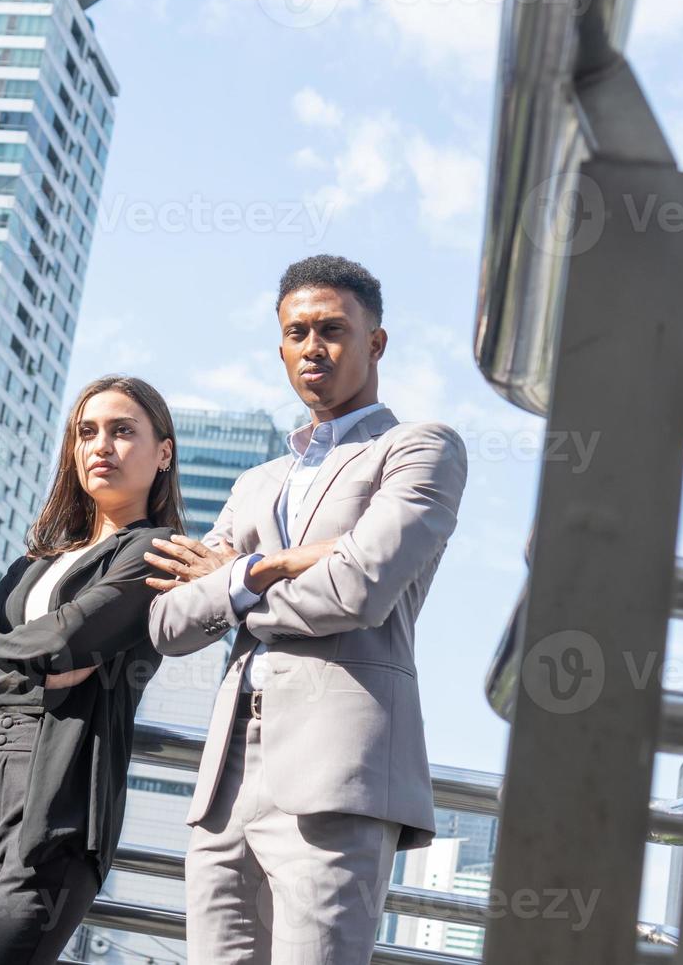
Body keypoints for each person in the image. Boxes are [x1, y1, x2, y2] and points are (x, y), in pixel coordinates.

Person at [146, 255, 468, 964]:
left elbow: (359, 589)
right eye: (297, 333)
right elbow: (168, 625)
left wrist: (231, 583)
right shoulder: (257, 480)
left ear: (375, 343)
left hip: (337, 772)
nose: (312, 348)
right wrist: (276, 564)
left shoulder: (419, 450)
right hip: (227, 780)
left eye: (332, 330)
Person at [0, 375, 183, 965]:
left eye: (123, 432)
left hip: (59, 806)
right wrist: (37, 669)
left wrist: (24, 659)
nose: (101, 447)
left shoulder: (155, 552)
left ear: (163, 452)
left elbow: (63, 643)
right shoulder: (34, 562)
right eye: (86, 433)